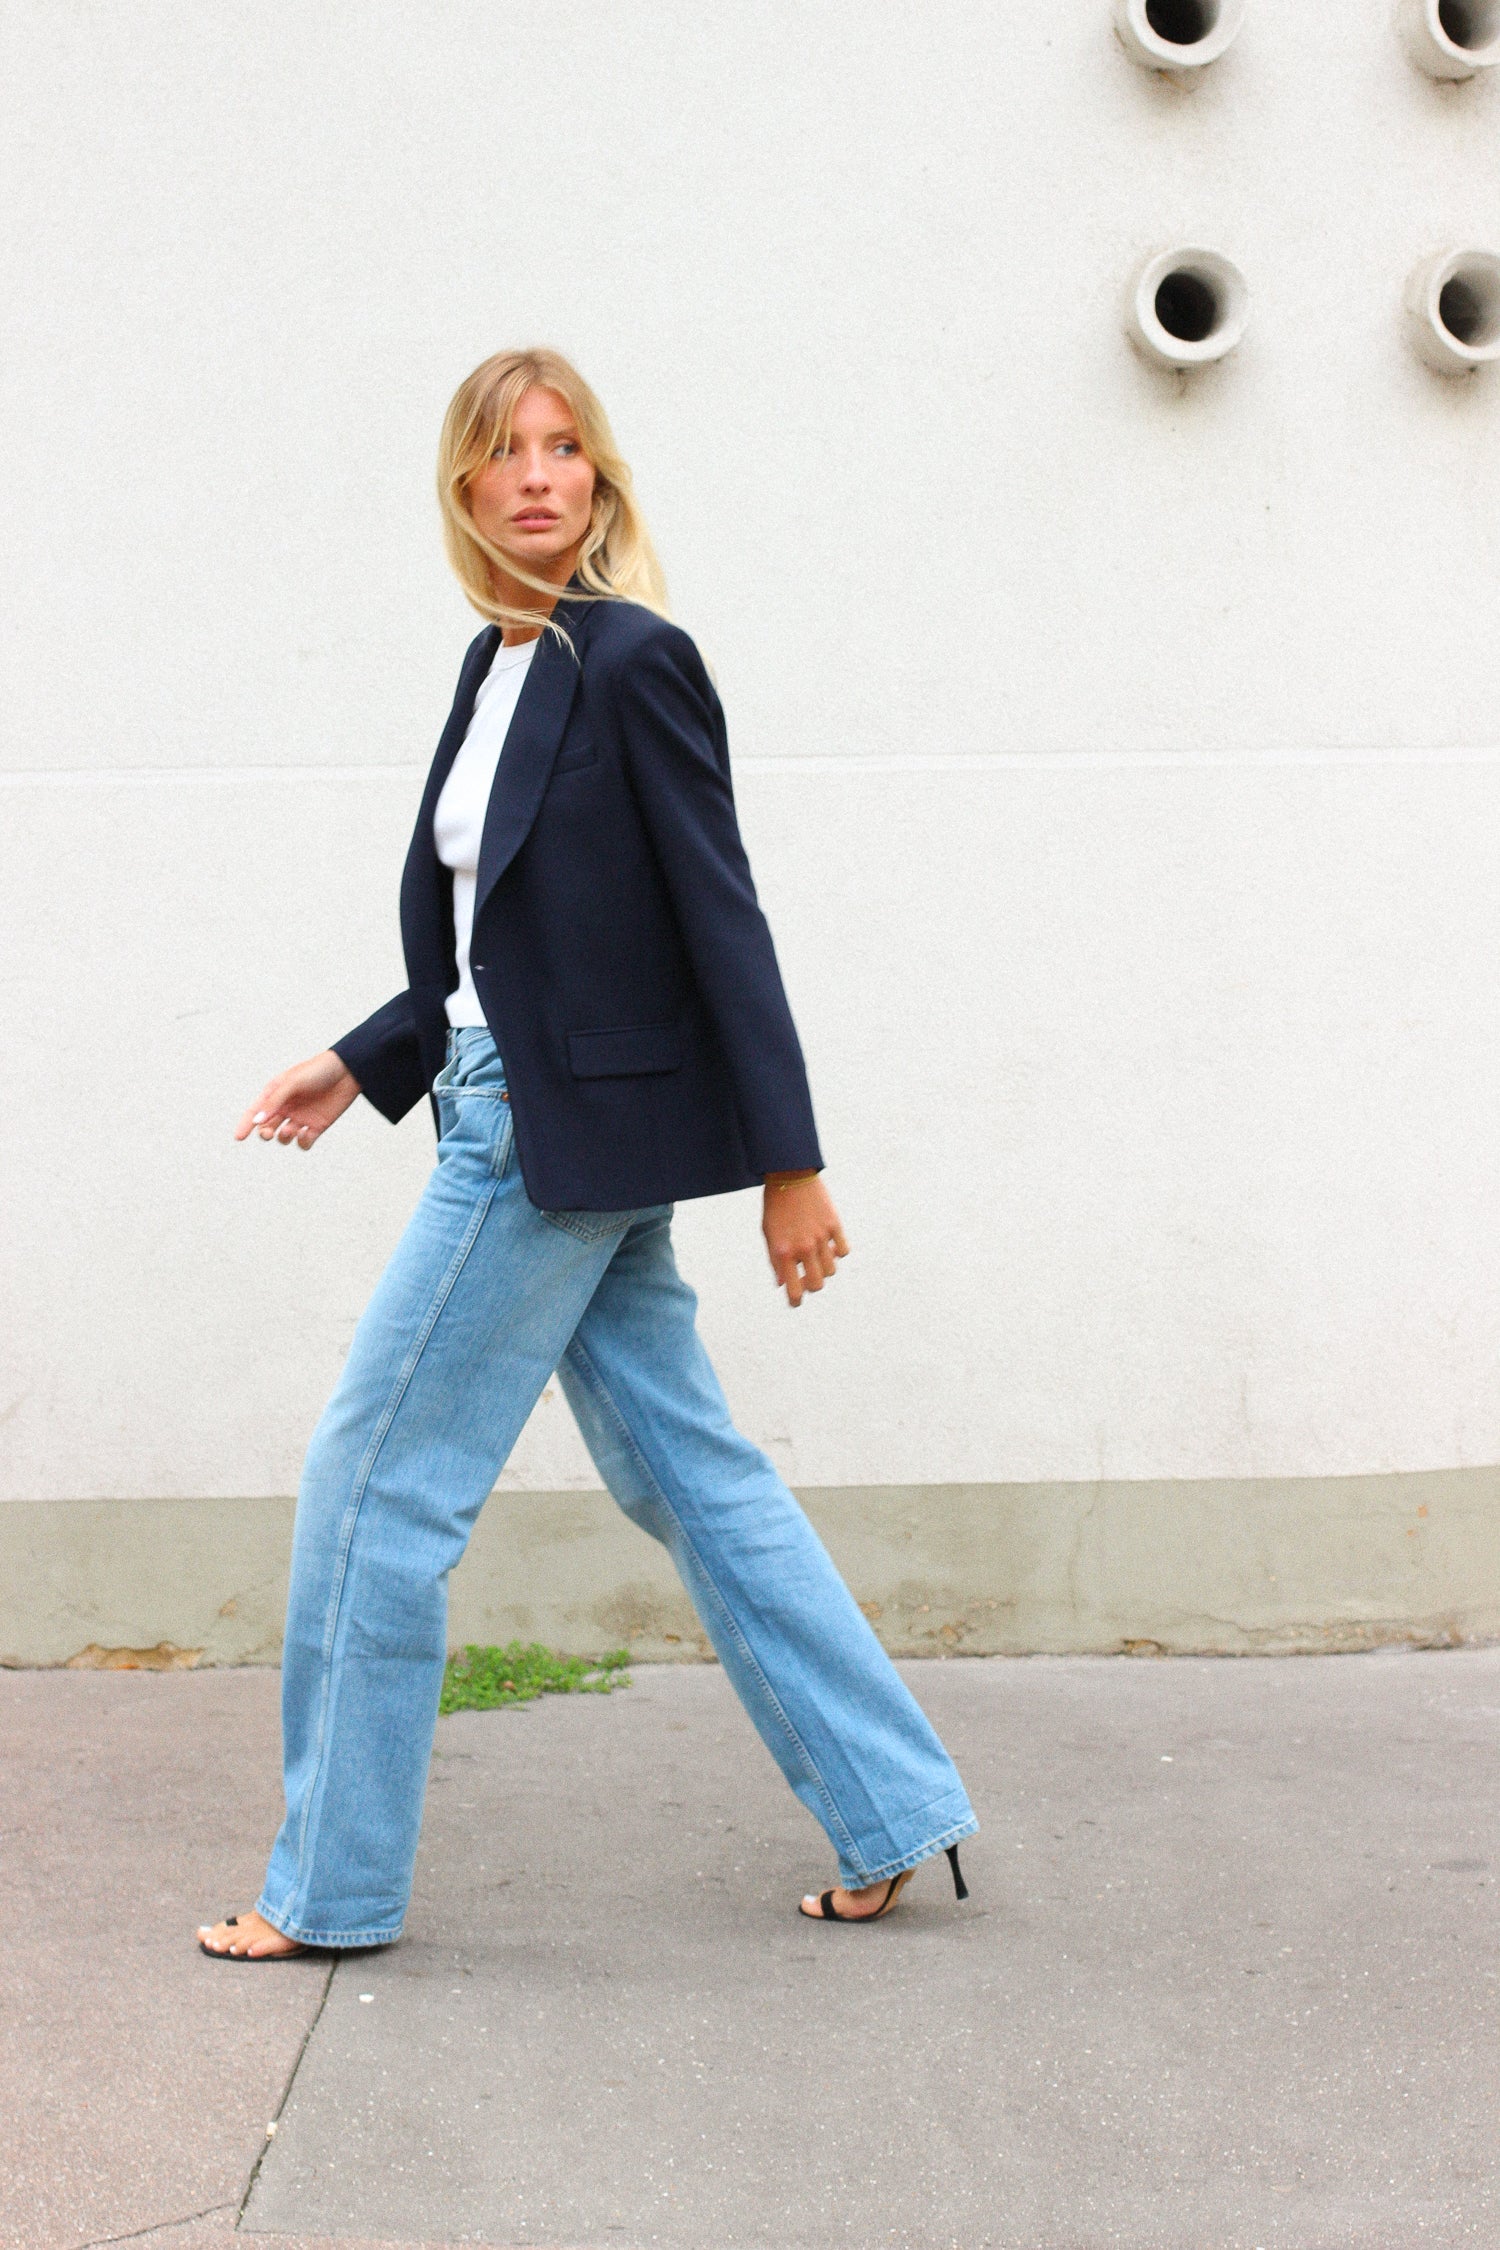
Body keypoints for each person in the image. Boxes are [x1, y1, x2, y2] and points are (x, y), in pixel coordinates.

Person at [197, 348, 976, 1959]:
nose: (540, 474)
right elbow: (502, 947)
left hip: (532, 1150)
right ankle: (895, 1804)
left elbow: (720, 910)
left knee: (374, 1488)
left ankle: (330, 1889)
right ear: (467, 489)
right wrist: (363, 1055)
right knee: (691, 1475)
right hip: (528, 1107)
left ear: (599, 480)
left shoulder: (634, 660)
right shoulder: (498, 666)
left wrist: (792, 1159)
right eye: (506, 451)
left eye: (566, 448)